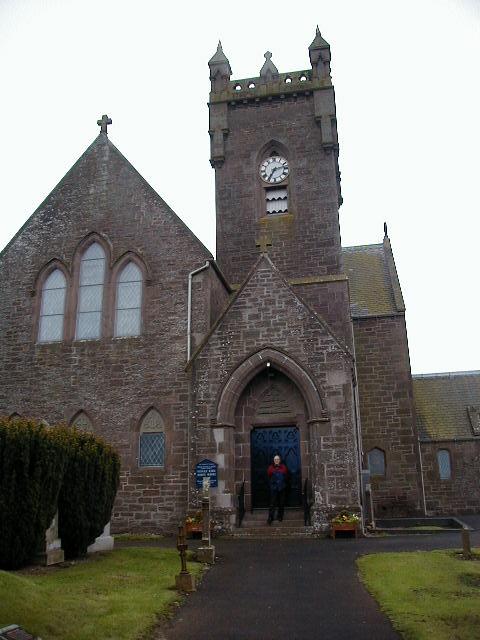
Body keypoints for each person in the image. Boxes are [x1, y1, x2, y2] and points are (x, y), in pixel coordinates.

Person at [267, 454, 288, 524]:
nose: (276, 460)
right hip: (274, 488)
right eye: (275, 459)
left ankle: (280, 516)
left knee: (281, 503)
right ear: (273, 460)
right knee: (272, 503)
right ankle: (270, 517)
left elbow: (285, 475)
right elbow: (269, 474)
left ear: (280, 460)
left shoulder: (283, 467)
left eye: (278, 459)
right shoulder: (270, 467)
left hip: (282, 488)